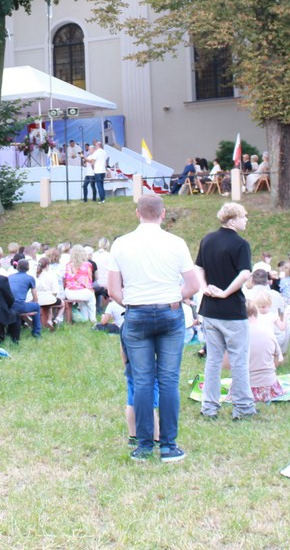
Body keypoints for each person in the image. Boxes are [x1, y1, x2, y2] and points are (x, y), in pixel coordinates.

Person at [108, 193, 202, 463]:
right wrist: (171, 297)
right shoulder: (176, 243)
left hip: (137, 313)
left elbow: (113, 290)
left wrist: (135, 302)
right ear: (163, 214)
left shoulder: (121, 244)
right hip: (169, 313)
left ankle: (144, 445)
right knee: (169, 379)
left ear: (137, 213)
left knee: (142, 380)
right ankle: (169, 445)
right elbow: (193, 285)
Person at [196, 202, 256, 420]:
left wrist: (205, 288)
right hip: (232, 312)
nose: (246, 220)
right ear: (232, 220)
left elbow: (198, 267)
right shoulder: (241, 244)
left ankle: (209, 406)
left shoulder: (207, 240)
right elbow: (245, 274)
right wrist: (226, 292)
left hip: (210, 310)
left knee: (213, 360)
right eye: (243, 216)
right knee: (239, 359)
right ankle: (243, 406)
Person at [246, 288, 284, 403]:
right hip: (269, 385)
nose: (262, 309)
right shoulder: (269, 333)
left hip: (246, 386)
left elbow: (226, 364)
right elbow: (277, 359)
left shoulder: (239, 337)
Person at [6, 260, 42, 339]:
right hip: (20, 305)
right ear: (28, 267)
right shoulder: (30, 278)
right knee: (36, 306)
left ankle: (8, 332)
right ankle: (36, 332)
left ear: (17, 267)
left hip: (9, 305)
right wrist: (33, 302)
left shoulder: (10, 277)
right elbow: (35, 296)